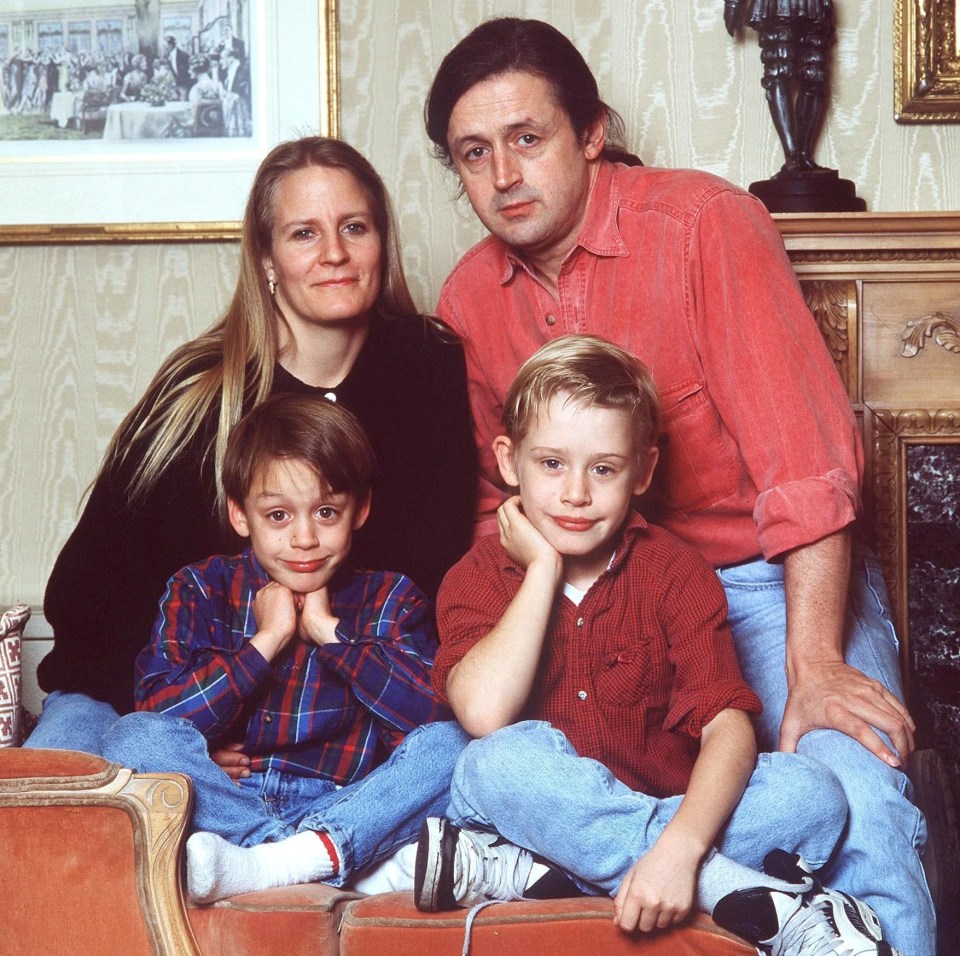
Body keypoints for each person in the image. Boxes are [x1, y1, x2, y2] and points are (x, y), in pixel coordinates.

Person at [423, 17, 932, 955]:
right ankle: (739, 890)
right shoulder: (468, 298)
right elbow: (501, 510)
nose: (502, 176)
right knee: (499, 769)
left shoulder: (704, 225)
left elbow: (809, 470)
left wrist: (815, 666)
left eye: (527, 139)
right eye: (473, 153)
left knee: (852, 789)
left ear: (591, 133)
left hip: (772, 582)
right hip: (599, 595)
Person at [413, 336, 896, 955]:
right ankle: (730, 890)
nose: (576, 494)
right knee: (492, 763)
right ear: (509, 462)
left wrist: (679, 848)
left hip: (659, 815)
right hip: (538, 810)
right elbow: (484, 714)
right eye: (552, 464)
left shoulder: (676, 573)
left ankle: (555, 877)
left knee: (813, 795)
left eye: (604, 468)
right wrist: (540, 570)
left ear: (642, 470)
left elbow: (727, 726)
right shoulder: (475, 578)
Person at [27, 136, 475, 759]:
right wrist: (185, 738)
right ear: (266, 259)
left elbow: (442, 574)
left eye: (354, 227)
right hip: (151, 698)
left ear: (382, 241)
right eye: (303, 234)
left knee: (460, 754)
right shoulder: (202, 393)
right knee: (56, 813)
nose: (336, 254)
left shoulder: (432, 369)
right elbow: (89, 598)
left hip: (343, 712)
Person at [102, 394, 467, 903]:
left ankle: (276, 860)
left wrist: (329, 633)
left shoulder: (390, 597)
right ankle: (297, 858)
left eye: (325, 512)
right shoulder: (201, 587)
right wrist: (265, 643)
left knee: (458, 743)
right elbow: (160, 713)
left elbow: (425, 719)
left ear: (359, 510)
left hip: (341, 803)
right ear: (240, 514)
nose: (304, 538)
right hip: (225, 802)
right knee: (131, 736)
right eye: (277, 515)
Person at [724, 0, 833, 175]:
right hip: (776, 7)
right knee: (778, 72)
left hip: (814, 6)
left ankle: (804, 156)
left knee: (814, 75)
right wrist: (733, 4)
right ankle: (791, 156)